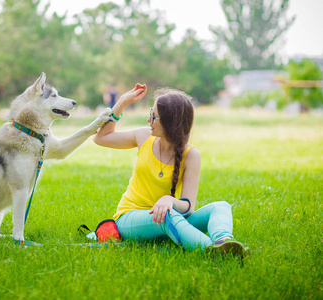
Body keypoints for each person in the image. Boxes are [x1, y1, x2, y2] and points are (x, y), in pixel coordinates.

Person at [93, 83, 250, 256]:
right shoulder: (144, 136)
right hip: (130, 217)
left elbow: (188, 206)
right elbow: (101, 138)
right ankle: (212, 250)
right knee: (168, 217)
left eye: (153, 116)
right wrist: (122, 102)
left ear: (170, 122)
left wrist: (170, 201)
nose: (148, 120)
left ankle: (223, 240)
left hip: (167, 217)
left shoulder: (191, 155)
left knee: (221, 206)